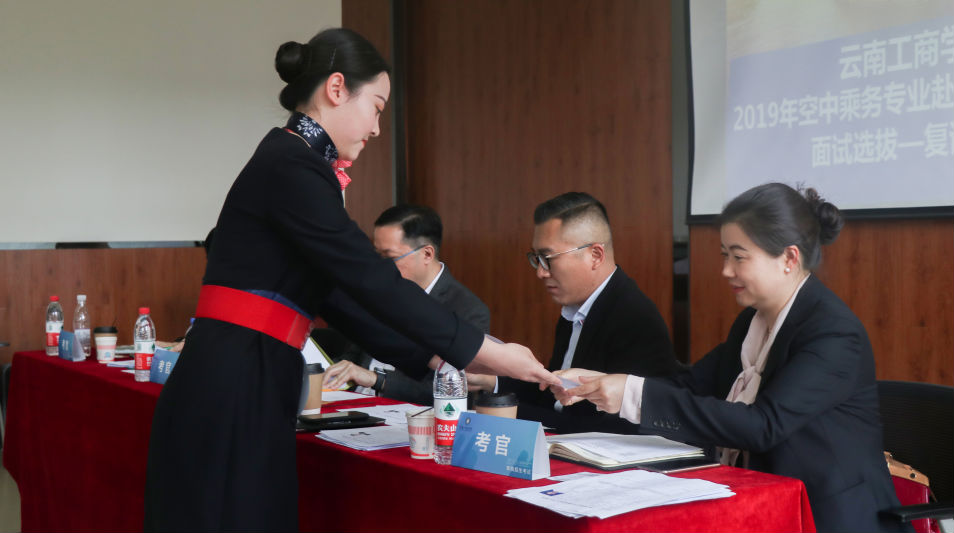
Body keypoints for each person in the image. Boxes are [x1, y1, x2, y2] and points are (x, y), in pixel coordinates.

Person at [144, 28, 556, 532]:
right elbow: (369, 277)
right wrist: (483, 350)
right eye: (377, 107)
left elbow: (339, 297)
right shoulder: (292, 165)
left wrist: (436, 357)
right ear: (337, 89)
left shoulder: (292, 161)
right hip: (236, 375)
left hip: (244, 369)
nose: (378, 128)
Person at [554, 183, 908, 533]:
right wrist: (605, 384)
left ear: (789, 258)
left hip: (827, 516)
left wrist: (635, 394)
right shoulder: (752, 321)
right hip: (760, 501)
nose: (726, 270)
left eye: (739, 257)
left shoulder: (833, 333)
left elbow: (763, 426)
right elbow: (691, 384)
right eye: (725, 255)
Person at [495, 192, 680, 434]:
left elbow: (614, 429)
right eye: (536, 259)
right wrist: (493, 379)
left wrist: (510, 413)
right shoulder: (575, 308)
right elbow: (554, 398)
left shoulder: (635, 319)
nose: (541, 272)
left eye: (548, 258)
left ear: (595, 256)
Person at [320, 204, 491, 405]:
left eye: (389, 257)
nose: (380, 267)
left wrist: (377, 380)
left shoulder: (467, 309)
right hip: (351, 403)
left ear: (427, 254)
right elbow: (352, 357)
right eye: (376, 256)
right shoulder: (375, 291)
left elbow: (448, 390)